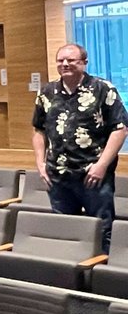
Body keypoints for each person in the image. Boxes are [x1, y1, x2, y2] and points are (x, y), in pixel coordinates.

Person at [32, 43, 128, 253]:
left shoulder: (103, 89)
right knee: (66, 232)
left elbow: (120, 129)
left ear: (84, 63)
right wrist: (40, 164)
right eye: (60, 61)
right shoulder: (47, 92)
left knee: (101, 230)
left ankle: (100, 278)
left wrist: (102, 165)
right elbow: (39, 131)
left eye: (71, 60)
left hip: (94, 175)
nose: (65, 64)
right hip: (58, 177)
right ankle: (72, 278)